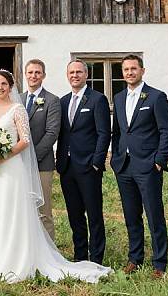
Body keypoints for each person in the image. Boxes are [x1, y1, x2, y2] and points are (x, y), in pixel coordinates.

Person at [0, 69, 112, 283]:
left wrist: (3, 155)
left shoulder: (17, 109)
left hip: (11, 167)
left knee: (12, 212)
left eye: (4, 84)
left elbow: (25, 140)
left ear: (11, 87)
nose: (0, 88)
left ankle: (15, 260)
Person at [111, 54, 168, 279]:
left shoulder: (156, 97)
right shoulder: (118, 98)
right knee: (131, 216)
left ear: (142, 71)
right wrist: (115, 158)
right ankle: (134, 258)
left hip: (148, 165)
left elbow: (167, 131)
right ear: (122, 73)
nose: (129, 72)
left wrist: (159, 160)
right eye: (126, 69)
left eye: (133, 69)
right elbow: (117, 132)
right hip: (124, 166)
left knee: (154, 215)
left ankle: (160, 263)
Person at [55, 60, 111, 264]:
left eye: (79, 72)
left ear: (86, 75)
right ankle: (80, 255)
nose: (75, 75)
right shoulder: (62, 101)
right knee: (74, 215)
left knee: (94, 214)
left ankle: (96, 257)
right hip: (66, 167)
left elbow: (104, 133)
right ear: (67, 75)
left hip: (88, 166)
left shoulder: (97, 100)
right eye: (71, 72)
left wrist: (97, 162)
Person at [20, 59, 61, 240]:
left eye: (37, 72)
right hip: (18, 164)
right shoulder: (17, 99)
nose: (33, 76)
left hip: (41, 163)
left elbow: (52, 133)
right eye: (30, 72)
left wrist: (32, 157)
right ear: (25, 74)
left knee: (43, 211)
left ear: (43, 75)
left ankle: (49, 254)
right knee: (22, 211)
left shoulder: (52, 100)